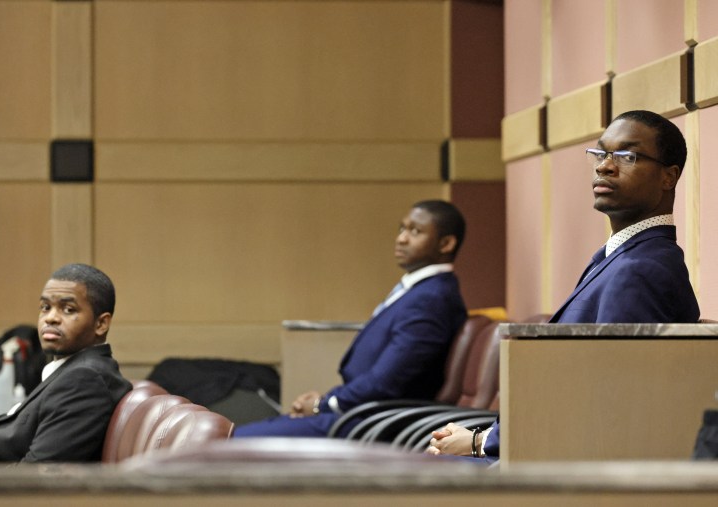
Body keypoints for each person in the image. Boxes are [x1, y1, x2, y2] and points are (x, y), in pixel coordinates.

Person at [427, 109, 701, 460]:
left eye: (627, 156)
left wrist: (481, 444)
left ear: (669, 176)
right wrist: (485, 436)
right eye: (600, 153)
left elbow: (606, 407)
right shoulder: (620, 257)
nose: (604, 166)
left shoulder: (640, 270)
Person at [235, 200, 468, 438]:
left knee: (237, 440)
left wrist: (322, 405)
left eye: (415, 231)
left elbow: (387, 383)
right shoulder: (421, 290)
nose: (401, 239)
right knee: (234, 436)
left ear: (446, 243)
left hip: (376, 425)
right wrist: (325, 400)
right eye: (402, 229)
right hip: (359, 414)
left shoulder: (431, 299)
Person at [0, 263, 132, 465]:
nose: (51, 318)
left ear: (101, 324)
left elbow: (37, 477)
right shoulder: (72, 370)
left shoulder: (84, 380)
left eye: (68, 309)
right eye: (45, 307)